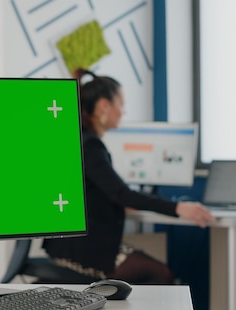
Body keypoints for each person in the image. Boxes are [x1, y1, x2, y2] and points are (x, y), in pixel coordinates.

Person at [42, 69, 215, 285]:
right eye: (120, 104)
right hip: (82, 254)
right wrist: (178, 208)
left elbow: (96, 193)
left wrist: (120, 202)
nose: (123, 111)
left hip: (66, 248)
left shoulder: (79, 140)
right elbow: (122, 193)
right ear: (104, 106)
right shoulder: (91, 146)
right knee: (162, 274)